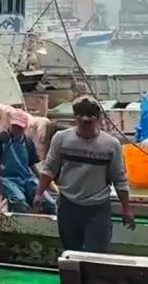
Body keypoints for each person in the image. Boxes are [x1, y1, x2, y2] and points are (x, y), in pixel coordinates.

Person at [33, 95, 135, 253]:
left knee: (97, 253)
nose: (86, 119)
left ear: (98, 118)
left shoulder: (111, 145)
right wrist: (39, 194)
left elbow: (120, 180)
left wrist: (126, 209)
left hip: (98, 208)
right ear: (75, 118)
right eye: (81, 115)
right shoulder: (61, 139)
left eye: (91, 115)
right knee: (72, 252)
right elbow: (49, 169)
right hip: (68, 205)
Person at [0, 110, 55, 214]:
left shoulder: (28, 142)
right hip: (7, 180)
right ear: (10, 124)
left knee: (50, 203)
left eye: (20, 127)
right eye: (15, 126)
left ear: (25, 127)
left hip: (27, 179)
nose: (17, 129)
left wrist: (51, 184)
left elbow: (36, 166)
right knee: (19, 203)